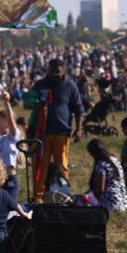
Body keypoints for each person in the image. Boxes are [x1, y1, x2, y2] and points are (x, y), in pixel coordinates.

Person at [31, 59, 84, 201]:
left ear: (63, 70)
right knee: (41, 165)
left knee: (62, 166)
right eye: (53, 71)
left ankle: (62, 195)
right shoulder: (40, 85)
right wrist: (36, 104)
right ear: (48, 69)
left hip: (62, 132)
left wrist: (79, 129)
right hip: (42, 133)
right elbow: (29, 104)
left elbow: (79, 109)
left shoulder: (70, 86)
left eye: (58, 72)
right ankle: (39, 197)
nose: (56, 74)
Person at [81, 139, 127, 212]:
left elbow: (100, 189)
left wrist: (86, 196)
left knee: (80, 202)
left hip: (110, 204)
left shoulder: (101, 164)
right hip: (123, 203)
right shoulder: (115, 160)